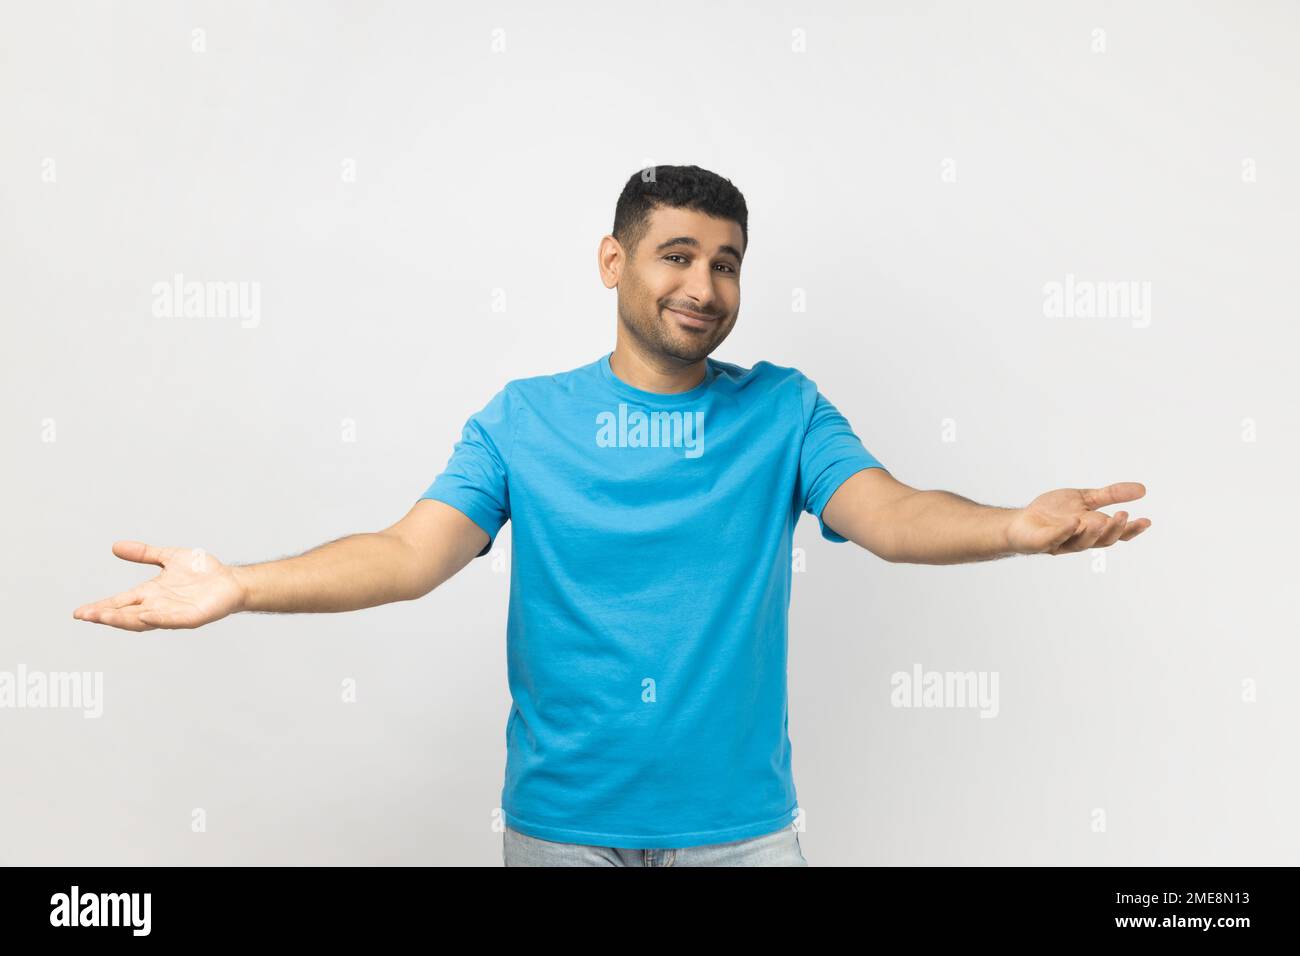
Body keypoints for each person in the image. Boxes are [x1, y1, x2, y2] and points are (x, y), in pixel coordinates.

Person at [72, 165, 1151, 867]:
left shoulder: (782, 409)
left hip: (742, 833)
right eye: (679, 254)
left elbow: (891, 513)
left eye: (726, 262)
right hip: (563, 827)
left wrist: (1012, 523)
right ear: (614, 262)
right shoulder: (523, 420)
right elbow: (407, 555)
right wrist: (240, 583)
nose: (706, 284)